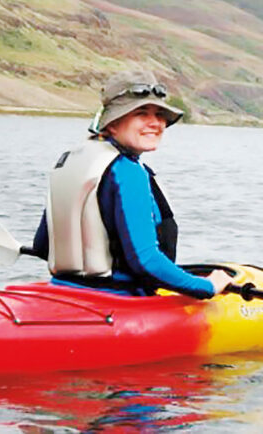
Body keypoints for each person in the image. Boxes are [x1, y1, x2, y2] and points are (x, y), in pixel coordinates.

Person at [32, 68, 232, 298]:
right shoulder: (127, 170)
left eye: (160, 115)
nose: (155, 123)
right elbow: (145, 260)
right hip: (118, 301)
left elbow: (42, 245)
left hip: (65, 291)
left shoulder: (70, 161)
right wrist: (207, 287)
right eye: (141, 113)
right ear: (113, 123)